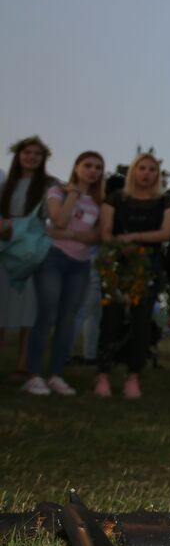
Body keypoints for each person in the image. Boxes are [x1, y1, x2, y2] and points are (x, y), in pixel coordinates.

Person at [96, 152, 170, 399]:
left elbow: (165, 233)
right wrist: (123, 247)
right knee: (111, 318)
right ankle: (103, 376)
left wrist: (133, 238)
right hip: (117, 265)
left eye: (152, 169)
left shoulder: (165, 202)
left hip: (148, 266)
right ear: (134, 171)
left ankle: (133, 377)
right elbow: (106, 233)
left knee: (141, 321)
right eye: (142, 168)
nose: (147, 173)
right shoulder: (115, 199)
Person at [24, 151, 104, 396]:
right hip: (53, 259)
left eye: (98, 167)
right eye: (87, 165)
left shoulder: (99, 202)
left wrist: (72, 234)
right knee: (46, 315)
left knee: (68, 319)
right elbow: (58, 221)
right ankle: (34, 374)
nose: (93, 171)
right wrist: (72, 194)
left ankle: (56, 373)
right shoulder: (57, 191)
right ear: (77, 167)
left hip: (80, 263)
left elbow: (96, 236)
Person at [1, 136, 53, 376]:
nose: (31, 157)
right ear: (18, 155)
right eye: (27, 152)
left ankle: (23, 363)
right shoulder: (6, 184)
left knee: (29, 309)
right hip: (6, 245)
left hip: (32, 248)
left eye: (36, 154)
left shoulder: (48, 185)